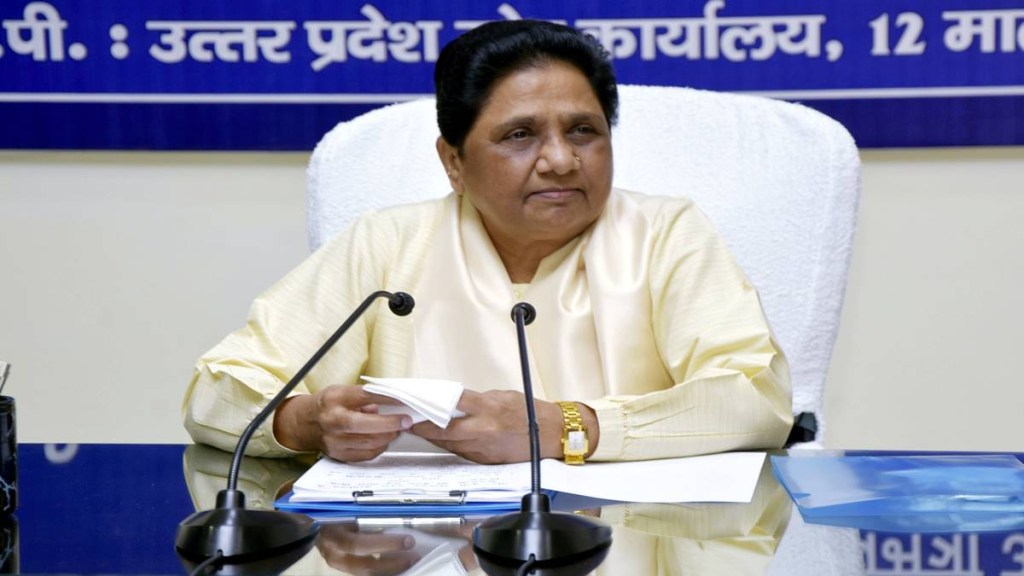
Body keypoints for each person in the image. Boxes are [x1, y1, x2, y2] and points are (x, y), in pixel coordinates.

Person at [182, 20, 793, 465]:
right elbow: (215, 394)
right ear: (453, 161)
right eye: (520, 135)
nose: (560, 159)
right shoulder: (388, 243)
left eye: (584, 130)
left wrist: (563, 427)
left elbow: (756, 401)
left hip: (630, 539)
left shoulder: (665, 233)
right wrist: (305, 422)